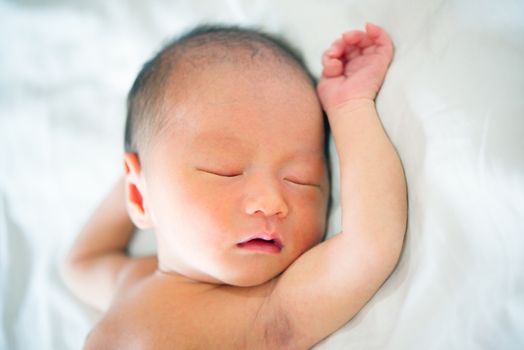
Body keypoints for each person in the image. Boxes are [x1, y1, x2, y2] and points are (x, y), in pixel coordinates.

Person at [62, 22, 407, 349]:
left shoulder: (271, 310)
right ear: (138, 195)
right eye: (224, 171)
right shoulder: (130, 282)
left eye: (300, 179)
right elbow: (80, 262)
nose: (271, 201)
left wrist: (350, 107)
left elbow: (370, 243)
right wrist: (144, 176)